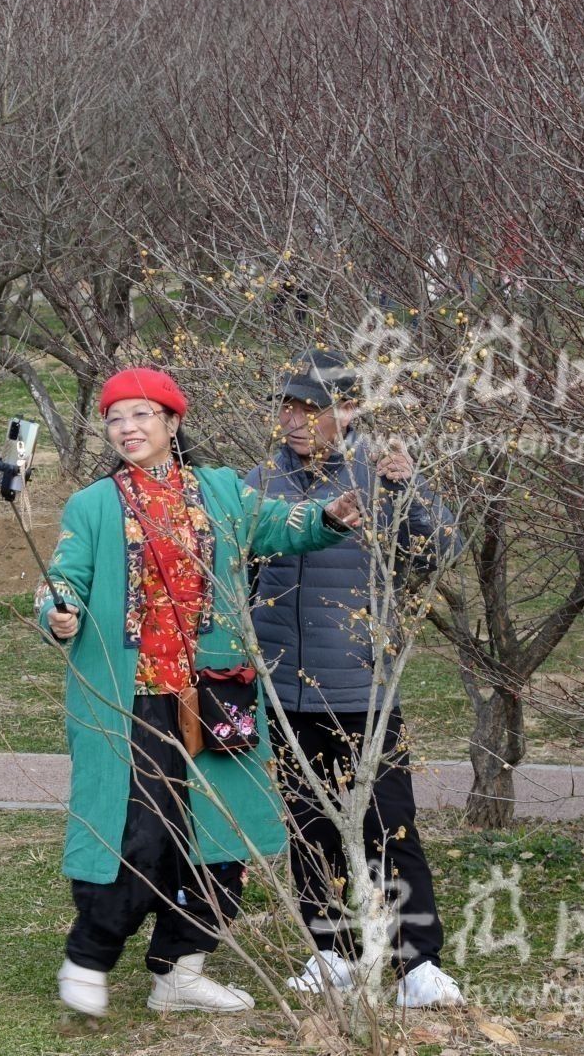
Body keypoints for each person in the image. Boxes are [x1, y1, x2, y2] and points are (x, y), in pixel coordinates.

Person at [40, 366, 362, 1018]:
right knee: (139, 832)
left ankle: (180, 970)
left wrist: (326, 516)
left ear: (172, 422)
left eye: (141, 414)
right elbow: (62, 577)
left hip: (216, 694)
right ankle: (89, 953)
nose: (127, 428)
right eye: (116, 418)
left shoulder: (221, 492)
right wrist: (59, 609)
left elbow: (282, 525)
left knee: (221, 835)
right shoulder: (95, 505)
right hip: (131, 699)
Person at [245, 349, 465, 1009]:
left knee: (389, 824)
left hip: (362, 691)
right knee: (308, 826)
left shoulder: (381, 476)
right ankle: (330, 952)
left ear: (348, 411)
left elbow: (440, 554)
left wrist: (410, 490)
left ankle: (418, 962)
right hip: (286, 692)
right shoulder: (261, 482)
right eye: (286, 406)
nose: (293, 419)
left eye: (308, 408)